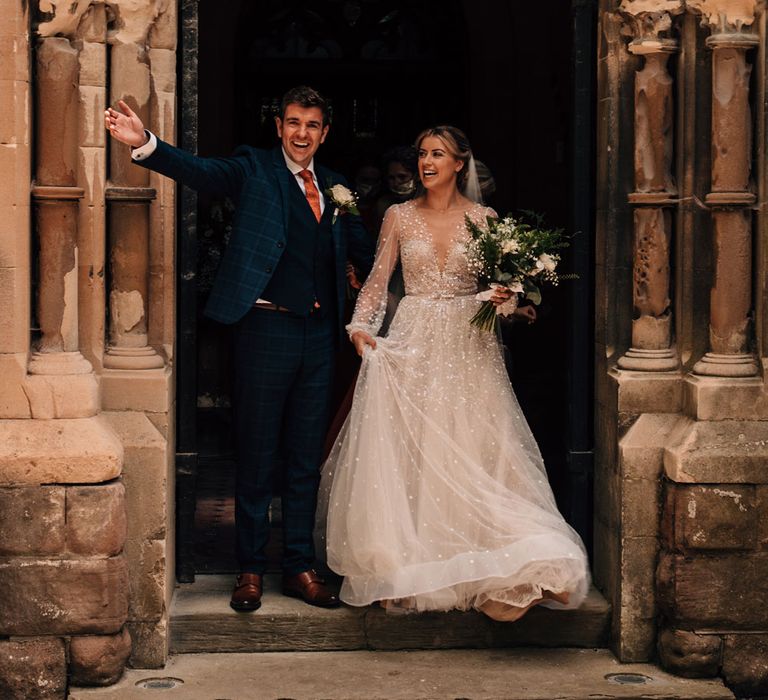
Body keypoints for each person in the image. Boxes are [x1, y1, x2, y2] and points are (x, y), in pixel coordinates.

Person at [105, 86, 374, 613]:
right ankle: (249, 569)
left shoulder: (338, 186)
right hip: (263, 328)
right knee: (255, 451)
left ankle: (299, 566)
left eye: (313, 125)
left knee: (304, 457)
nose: (302, 134)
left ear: (326, 132)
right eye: (293, 122)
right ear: (279, 126)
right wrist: (147, 145)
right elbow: (202, 172)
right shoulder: (253, 168)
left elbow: (367, 252)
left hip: (320, 336)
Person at [317, 125, 589, 621]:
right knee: (418, 448)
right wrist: (360, 327)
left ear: (459, 163)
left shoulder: (484, 219)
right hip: (416, 335)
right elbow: (378, 282)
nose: (426, 161)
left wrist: (509, 300)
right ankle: (415, 564)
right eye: (422, 153)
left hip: (469, 342)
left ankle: (500, 569)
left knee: (477, 444)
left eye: (437, 154)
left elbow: (500, 290)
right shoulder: (398, 216)